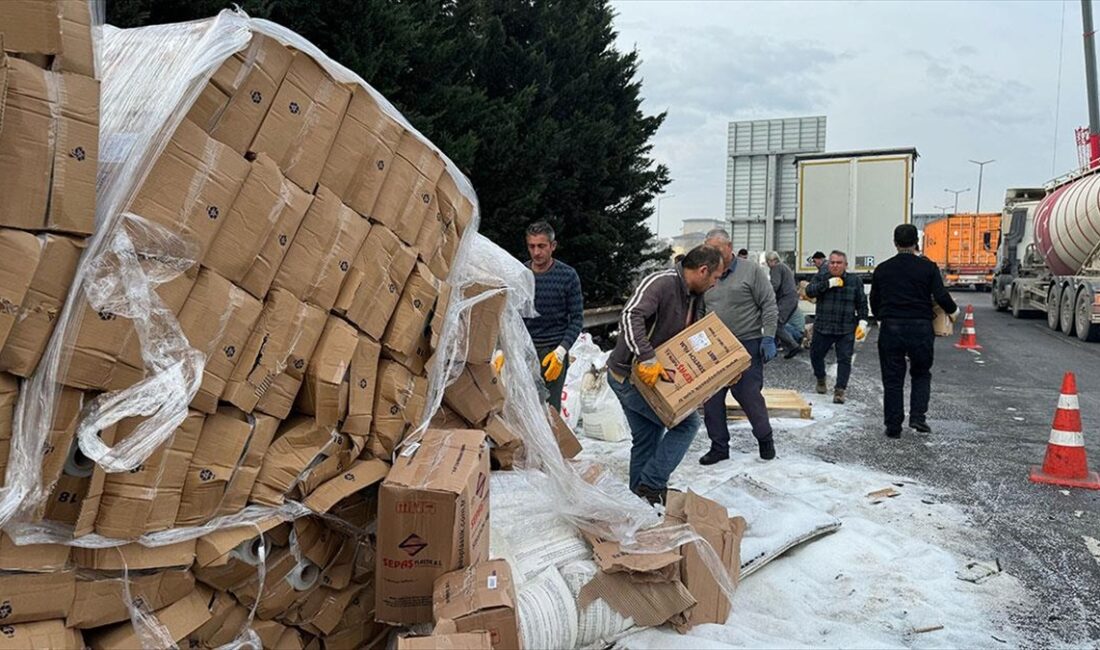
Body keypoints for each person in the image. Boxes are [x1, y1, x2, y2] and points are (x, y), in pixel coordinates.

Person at [607, 245, 724, 505]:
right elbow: (630, 316)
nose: (715, 284)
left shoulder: (695, 297)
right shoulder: (662, 283)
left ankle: (638, 501)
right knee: (687, 424)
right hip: (628, 376)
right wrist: (646, 356)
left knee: (647, 439)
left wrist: (720, 372)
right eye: (715, 277)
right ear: (703, 271)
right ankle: (652, 485)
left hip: (649, 379)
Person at [870, 224, 960, 438]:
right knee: (921, 373)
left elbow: (874, 299)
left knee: (892, 378)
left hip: (891, 328)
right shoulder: (928, 268)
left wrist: (882, 317)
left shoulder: (883, 269)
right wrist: (953, 312)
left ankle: (893, 425)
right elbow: (941, 296)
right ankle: (918, 418)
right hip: (920, 328)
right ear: (916, 243)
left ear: (895, 243)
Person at [699, 231, 779, 465]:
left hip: (746, 343)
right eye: (709, 250)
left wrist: (769, 337)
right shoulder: (707, 273)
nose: (714, 255)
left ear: (729, 246)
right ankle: (719, 447)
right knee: (711, 398)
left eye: (717, 249)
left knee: (748, 395)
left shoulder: (750, 271)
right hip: (714, 345)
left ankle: (765, 438)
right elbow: (701, 309)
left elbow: (768, 303)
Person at [522, 221, 583, 410]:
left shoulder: (567, 276)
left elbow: (577, 319)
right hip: (525, 350)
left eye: (541, 246)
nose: (536, 252)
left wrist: (561, 351)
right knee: (523, 408)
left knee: (549, 410)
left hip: (553, 351)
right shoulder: (521, 274)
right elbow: (510, 317)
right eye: (532, 246)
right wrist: (502, 350)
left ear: (552, 246)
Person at [804, 250, 868, 404]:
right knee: (816, 356)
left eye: (839, 263)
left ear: (845, 265)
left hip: (845, 328)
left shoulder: (854, 281)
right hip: (823, 327)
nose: (835, 265)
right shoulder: (822, 277)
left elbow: (862, 303)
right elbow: (809, 291)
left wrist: (863, 322)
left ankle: (840, 390)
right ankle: (821, 378)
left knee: (844, 360)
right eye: (832, 262)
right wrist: (828, 284)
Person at [765, 251, 802, 359]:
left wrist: (765, 295)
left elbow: (775, 285)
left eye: (768, 261)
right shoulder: (784, 267)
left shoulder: (776, 268)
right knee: (778, 324)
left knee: (775, 324)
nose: (768, 264)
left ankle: (793, 345)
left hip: (786, 299)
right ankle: (779, 347)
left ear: (771, 261)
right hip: (791, 299)